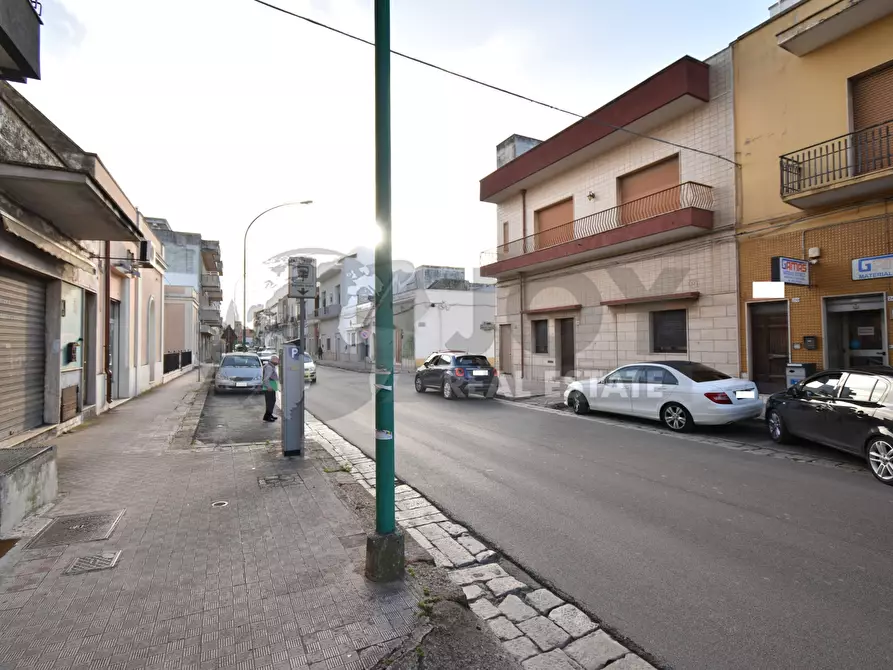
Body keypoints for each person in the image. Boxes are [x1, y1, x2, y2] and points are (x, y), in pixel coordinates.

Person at [262, 354, 279, 422]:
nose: (278, 362)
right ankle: (267, 416)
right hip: (269, 387)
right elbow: (266, 379)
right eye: (277, 360)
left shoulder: (271, 366)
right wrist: (268, 386)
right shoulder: (269, 367)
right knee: (270, 402)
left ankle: (270, 414)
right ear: (273, 360)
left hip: (272, 386)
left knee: (272, 401)